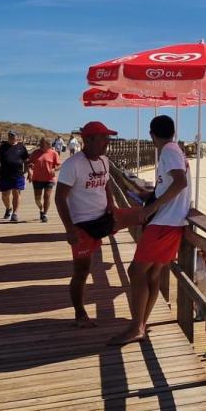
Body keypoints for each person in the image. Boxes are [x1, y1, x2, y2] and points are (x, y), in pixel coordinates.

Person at [109, 115, 190, 346]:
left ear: (152, 134)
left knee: (136, 271)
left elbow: (180, 182)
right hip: (172, 221)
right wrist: (151, 195)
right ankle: (141, 324)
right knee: (152, 273)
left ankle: (136, 327)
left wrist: (153, 206)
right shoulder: (175, 150)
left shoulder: (168, 151)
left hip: (165, 222)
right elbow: (171, 183)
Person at [55, 121, 119, 328]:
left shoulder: (104, 161)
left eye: (108, 138)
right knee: (82, 270)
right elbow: (59, 198)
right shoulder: (72, 165)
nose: (107, 142)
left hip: (103, 219)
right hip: (82, 225)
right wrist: (69, 229)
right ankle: (80, 313)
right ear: (89, 140)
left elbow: (107, 183)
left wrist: (111, 203)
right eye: (103, 138)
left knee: (141, 216)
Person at [0, 131, 29, 222]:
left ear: (17, 137)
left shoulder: (21, 147)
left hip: (18, 174)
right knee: (5, 195)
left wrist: (28, 171)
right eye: (10, 136)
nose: (11, 138)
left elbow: (26, 160)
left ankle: (15, 213)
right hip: (4, 174)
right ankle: (8, 208)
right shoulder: (2, 147)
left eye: (13, 136)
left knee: (16, 193)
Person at [28, 137, 62, 222]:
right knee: (37, 199)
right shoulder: (35, 153)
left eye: (42, 143)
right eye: (40, 143)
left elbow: (59, 165)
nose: (40, 144)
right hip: (37, 178)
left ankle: (45, 214)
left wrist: (54, 169)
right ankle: (41, 209)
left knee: (47, 196)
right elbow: (29, 163)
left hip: (49, 179)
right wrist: (30, 170)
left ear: (47, 144)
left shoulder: (54, 153)